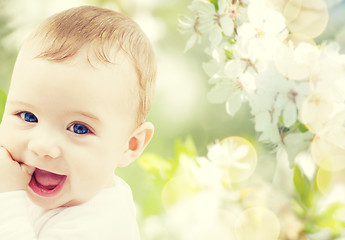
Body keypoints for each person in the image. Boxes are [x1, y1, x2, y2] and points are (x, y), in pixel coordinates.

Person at [0, 5, 156, 239]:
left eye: (79, 128)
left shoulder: (100, 226)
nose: (42, 145)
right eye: (28, 116)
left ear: (130, 144)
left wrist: (7, 200)